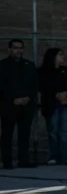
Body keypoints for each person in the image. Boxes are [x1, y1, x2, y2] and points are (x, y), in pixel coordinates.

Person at [0, 39, 37, 169]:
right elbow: (2, 86)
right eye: (15, 48)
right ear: (10, 49)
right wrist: (12, 99)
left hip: (26, 105)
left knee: (24, 134)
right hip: (8, 106)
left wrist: (27, 97)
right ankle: (7, 162)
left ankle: (24, 160)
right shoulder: (2, 65)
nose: (18, 50)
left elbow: (34, 84)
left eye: (21, 48)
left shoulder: (29, 65)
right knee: (7, 134)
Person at [38, 48, 67, 166]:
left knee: (66, 131)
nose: (63, 57)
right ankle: (54, 156)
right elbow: (43, 86)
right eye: (60, 54)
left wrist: (65, 93)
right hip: (51, 103)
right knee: (53, 131)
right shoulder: (42, 72)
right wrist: (56, 94)